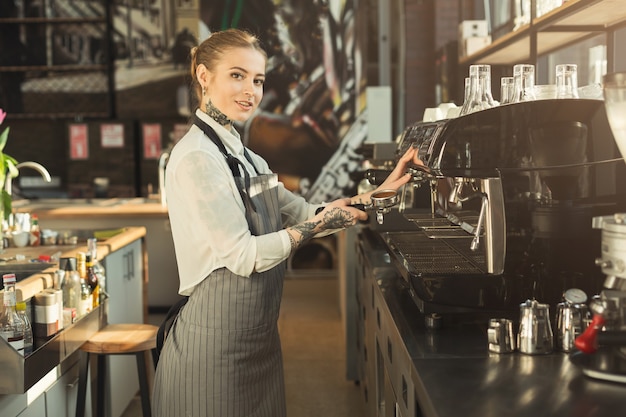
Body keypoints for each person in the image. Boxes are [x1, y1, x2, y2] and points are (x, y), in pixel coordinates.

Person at [151, 28, 419, 417]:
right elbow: (245, 256)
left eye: (258, 80)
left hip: (258, 344)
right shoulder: (197, 159)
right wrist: (321, 224)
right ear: (204, 76)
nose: (251, 91)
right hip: (212, 348)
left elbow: (306, 212)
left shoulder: (249, 159)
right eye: (237, 75)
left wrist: (380, 193)